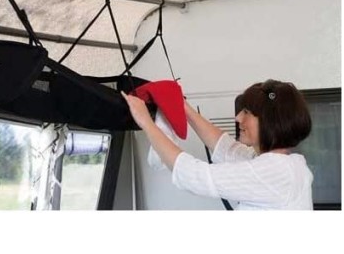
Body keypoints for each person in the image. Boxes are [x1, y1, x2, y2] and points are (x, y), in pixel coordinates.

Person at [121, 79, 314, 210]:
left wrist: (146, 122)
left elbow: (195, 175)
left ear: (270, 123)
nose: (238, 118)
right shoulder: (284, 165)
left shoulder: (275, 172)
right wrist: (182, 106)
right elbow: (226, 147)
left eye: (247, 112)